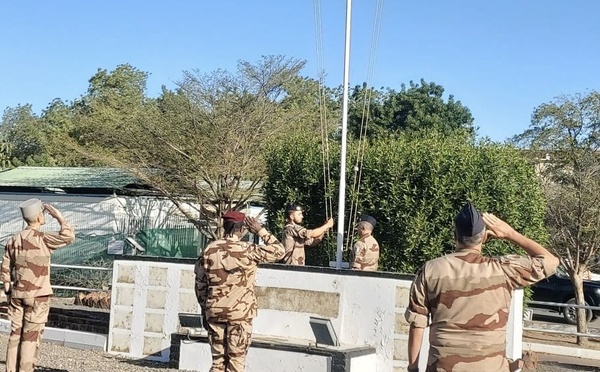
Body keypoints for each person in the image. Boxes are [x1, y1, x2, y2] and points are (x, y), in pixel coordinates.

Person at [404, 202, 559, 372]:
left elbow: (417, 324)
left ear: (454, 235)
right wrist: (510, 233)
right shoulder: (503, 269)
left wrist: (413, 368)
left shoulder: (430, 270)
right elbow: (551, 262)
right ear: (485, 237)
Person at [194, 210, 285, 372]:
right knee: (236, 361)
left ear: (225, 226)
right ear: (241, 229)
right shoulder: (248, 250)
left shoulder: (209, 250)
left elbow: (200, 285)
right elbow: (279, 251)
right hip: (240, 314)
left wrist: (205, 309)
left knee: (217, 363)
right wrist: (260, 230)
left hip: (214, 312)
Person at [1, 199, 75, 372]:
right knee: (30, 339)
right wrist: (59, 217)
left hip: (17, 295)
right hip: (38, 296)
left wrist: (9, 291)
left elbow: (5, 269)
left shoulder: (13, 240)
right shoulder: (43, 238)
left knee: (15, 336)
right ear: (40, 216)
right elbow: (69, 236)